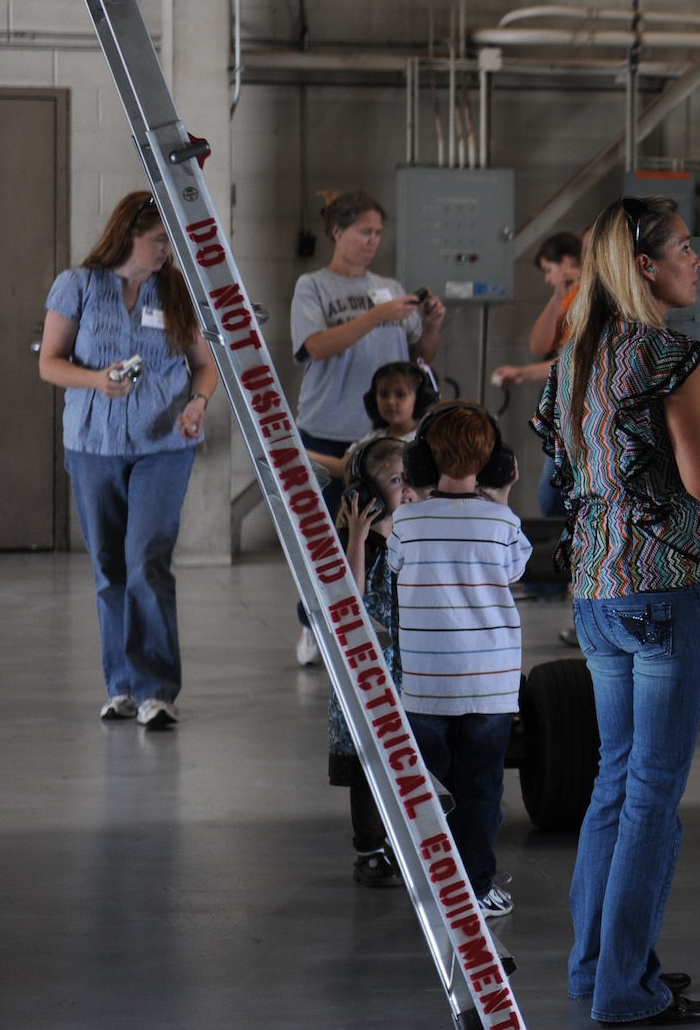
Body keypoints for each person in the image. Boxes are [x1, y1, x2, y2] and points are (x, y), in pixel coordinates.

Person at [534, 194, 700, 1026]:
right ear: (648, 267)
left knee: (615, 782)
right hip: (667, 584)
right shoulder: (668, 354)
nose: (697, 261)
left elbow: (572, 464)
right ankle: (627, 990)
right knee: (653, 793)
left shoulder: (575, 356)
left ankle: (597, 967)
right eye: (686, 248)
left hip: (594, 585)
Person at [39, 191, 222, 731]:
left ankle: (157, 691)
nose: (168, 248)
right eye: (159, 239)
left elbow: (204, 367)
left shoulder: (177, 290)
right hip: (92, 445)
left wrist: (198, 402)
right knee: (110, 568)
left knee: (148, 558)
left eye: (172, 239)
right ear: (128, 234)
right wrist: (98, 379)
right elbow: (51, 364)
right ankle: (121, 686)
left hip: (164, 446)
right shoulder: (78, 286)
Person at [291, 190, 446, 664]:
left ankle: (373, 619)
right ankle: (313, 621)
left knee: (382, 534)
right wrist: (376, 316)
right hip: (330, 428)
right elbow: (315, 346)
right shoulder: (313, 286)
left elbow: (418, 364)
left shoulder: (389, 285)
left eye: (378, 232)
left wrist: (433, 324)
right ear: (337, 232)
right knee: (326, 537)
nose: (372, 241)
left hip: (387, 437)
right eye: (364, 231)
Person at [393, 402, 531, 918]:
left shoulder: (405, 521)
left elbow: (397, 564)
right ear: (497, 464)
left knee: (434, 788)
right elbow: (515, 572)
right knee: (481, 787)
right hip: (490, 686)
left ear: (420, 461)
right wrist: (503, 497)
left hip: (427, 684)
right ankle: (476, 887)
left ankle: (435, 884)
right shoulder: (503, 523)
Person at [328, 434, 414, 886]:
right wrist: (360, 535)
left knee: (411, 754)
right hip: (372, 668)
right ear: (369, 492)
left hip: (411, 667)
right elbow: (351, 597)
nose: (406, 489)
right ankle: (370, 849)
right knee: (371, 761)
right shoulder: (354, 539)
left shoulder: (413, 532)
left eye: (409, 479)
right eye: (396, 481)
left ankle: (406, 840)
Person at [490, 230, 585, 517]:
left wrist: (522, 373)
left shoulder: (589, 298)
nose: (546, 278)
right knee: (551, 499)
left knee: (552, 500)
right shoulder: (570, 298)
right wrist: (557, 297)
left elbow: (578, 361)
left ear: (567, 261)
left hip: (580, 413)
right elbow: (539, 344)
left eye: (548, 270)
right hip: (564, 412)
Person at [363, 359, 437, 442]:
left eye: (400, 394)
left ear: (420, 399)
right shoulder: (371, 439)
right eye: (384, 395)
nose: (390, 402)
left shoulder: (427, 440)